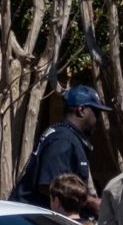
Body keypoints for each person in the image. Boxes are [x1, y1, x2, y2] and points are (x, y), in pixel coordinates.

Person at [10, 85, 111, 215]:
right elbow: (51, 186)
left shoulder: (68, 136)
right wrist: (91, 202)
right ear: (81, 110)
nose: (97, 119)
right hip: (33, 222)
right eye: (95, 113)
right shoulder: (63, 141)